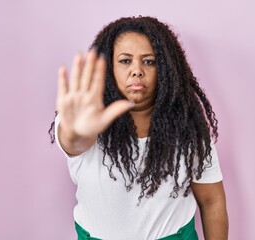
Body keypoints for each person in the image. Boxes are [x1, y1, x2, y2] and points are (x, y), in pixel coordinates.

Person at [49, 16, 228, 240]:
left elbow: (212, 201)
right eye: (125, 61)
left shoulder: (188, 126)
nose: (137, 70)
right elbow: (74, 140)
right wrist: (77, 131)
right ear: (108, 66)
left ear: (166, 69)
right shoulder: (83, 121)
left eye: (149, 61)